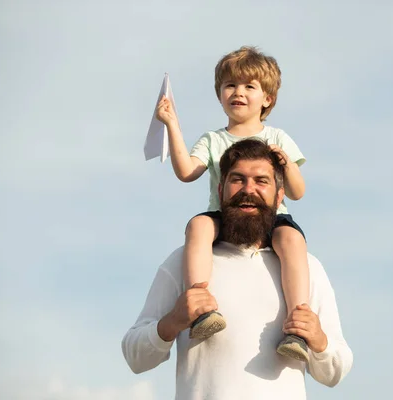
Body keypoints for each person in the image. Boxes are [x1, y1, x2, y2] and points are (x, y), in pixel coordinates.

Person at [122, 139, 353, 400]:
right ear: (220, 190)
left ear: (279, 196)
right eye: (238, 179)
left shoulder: (306, 267)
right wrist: (173, 321)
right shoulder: (183, 262)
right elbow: (135, 357)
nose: (248, 189)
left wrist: (319, 341)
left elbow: (335, 371)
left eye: (261, 181)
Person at [155, 46, 310, 361]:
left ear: (267, 98)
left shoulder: (278, 137)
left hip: (271, 218)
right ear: (220, 94)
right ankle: (201, 306)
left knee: (291, 238)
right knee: (198, 225)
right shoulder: (213, 140)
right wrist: (171, 124)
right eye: (230, 86)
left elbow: (297, 192)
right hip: (226, 216)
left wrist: (286, 163)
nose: (238, 92)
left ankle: (297, 325)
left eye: (249, 86)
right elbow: (187, 172)